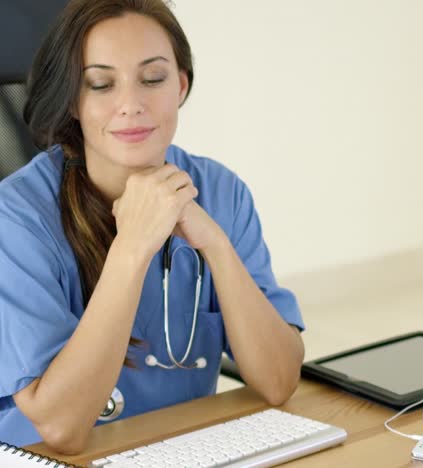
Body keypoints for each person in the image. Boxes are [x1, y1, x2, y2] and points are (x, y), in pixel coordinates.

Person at [0, 0, 305, 454]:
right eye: (101, 84)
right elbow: (61, 431)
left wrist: (216, 246)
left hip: (181, 448)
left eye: (153, 79)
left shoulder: (220, 192)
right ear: (72, 101)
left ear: (180, 85)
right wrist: (133, 246)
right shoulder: (17, 217)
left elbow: (279, 381)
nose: (131, 105)